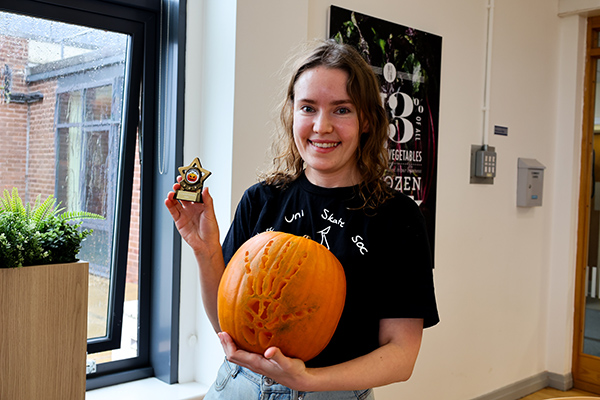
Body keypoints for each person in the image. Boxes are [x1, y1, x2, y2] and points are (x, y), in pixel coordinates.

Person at [165, 39, 439, 400]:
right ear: (292, 113)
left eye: (341, 110)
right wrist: (205, 250)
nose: (321, 126)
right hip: (237, 386)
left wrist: (307, 381)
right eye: (308, 108)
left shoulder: (396, 217)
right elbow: (229, 324)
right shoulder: (261, 199)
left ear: (367, 120)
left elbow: (401, 355)